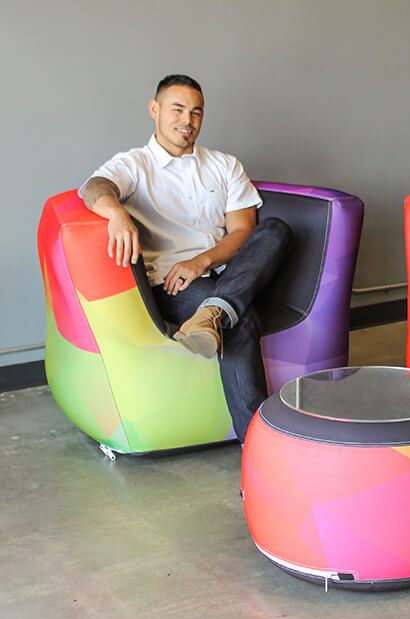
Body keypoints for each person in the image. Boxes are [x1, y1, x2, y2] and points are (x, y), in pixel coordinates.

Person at [78, 74, 292, 442]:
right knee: (242, 320)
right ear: (154, 110)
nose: (187, 121)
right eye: (177, 109)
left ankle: (215, 311)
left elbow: (242, 232)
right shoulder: (135, 164)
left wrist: (202, 261)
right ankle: (259, 444)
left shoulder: (224, 165)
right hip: (172, 284)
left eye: (196, 112)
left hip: (225, 272)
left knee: (276, 230)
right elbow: (96, 187)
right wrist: (116, 214)